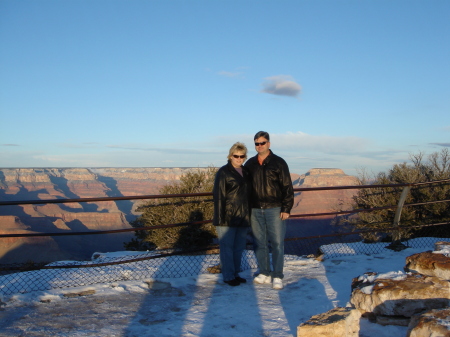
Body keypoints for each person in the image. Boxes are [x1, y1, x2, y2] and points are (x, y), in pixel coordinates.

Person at [245, 131, 294, 290]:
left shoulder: (279, 162)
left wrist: (286, 208)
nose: (259, 146)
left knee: (277, 243)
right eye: (257, 143)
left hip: (275, 209)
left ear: (269, 144)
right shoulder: (250, 164)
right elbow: (244, 187)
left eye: (262, 143)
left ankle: (278, 275)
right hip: (255, 209)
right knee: (259, 243)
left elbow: (287, 187)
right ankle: (265, 272)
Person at [213, 142, 252, 286]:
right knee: (227, 248)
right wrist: (221, 218)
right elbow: (218, 196)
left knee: (238, 248)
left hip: (243, 216)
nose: (239, 158)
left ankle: (235, 273)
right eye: (236, 156)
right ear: (230, 156)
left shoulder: (246, 172)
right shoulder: (223, 172)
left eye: (242, 156)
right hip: (227, 217)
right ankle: (228, 276)